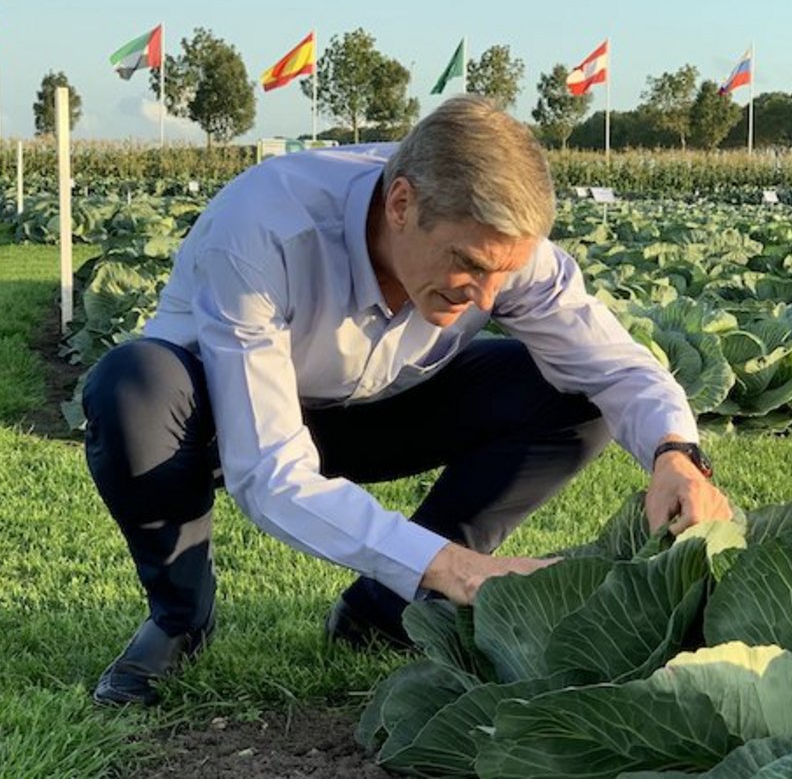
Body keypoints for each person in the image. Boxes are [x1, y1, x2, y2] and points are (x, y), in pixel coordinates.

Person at [82, 95, 733, 707]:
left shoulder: (498, 246)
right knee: (133, 388)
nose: (486, 298)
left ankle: (385, 609)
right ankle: (179, 618)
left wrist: (675, 454)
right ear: (400, 204)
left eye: (502, 275)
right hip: (219, 418)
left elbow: (615, 365)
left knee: (575, 395)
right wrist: (457, 568)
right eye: (469, 266)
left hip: (381, 405)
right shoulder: (263, 228)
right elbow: (269, 471)